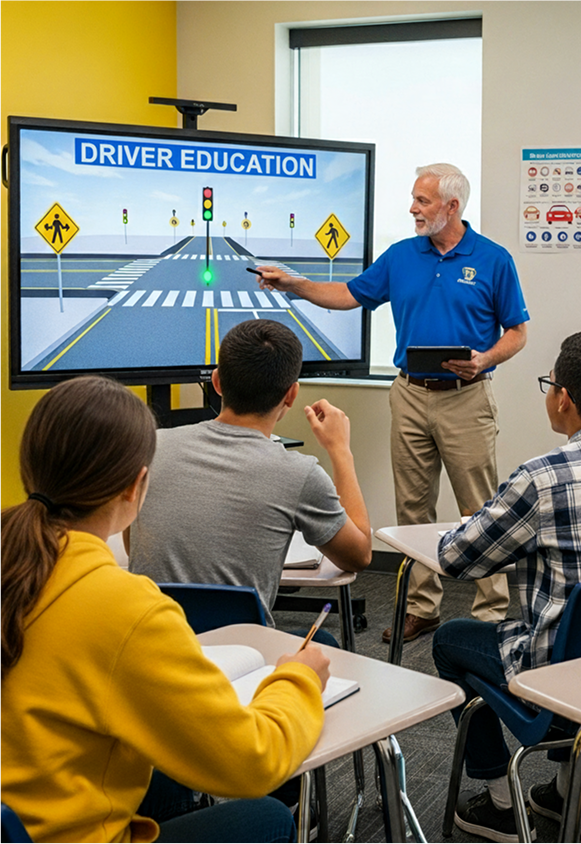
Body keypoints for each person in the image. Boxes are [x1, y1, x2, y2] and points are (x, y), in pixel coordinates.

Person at [0, 375, 330, 844]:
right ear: (137, 486)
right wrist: (299, 680)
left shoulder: (19, 561)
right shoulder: (125, 607)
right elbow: (253, 763)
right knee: (266, 818)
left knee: (162, 770)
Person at [256, 163, 529, 643]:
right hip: (408, 394)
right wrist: (295, 284)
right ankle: (423, 607)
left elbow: (517, 332)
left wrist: (484, 359)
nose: (413, 209)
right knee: (413, 506)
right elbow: (347, 294)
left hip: (467, 398)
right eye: (414, 199)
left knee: (480, 509)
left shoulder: (493, 259)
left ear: (452, 206)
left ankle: (491, 613)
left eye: (422, 201)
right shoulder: (401, 256)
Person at [432, 332, 581, 844]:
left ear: (564, 397)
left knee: (450, 638)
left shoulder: (543, 480)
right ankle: (565, 790)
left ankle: (499, 803)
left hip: (557, 684)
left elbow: (456, 557)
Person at [128, 319, 372, 627]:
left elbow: (133, 544)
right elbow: (359, 555)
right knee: (323, 643)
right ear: (291, 395)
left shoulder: (149, 447)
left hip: (148, 646)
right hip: (243, 659)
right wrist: (340, 451)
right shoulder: (300, 473)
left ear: (216, 382)